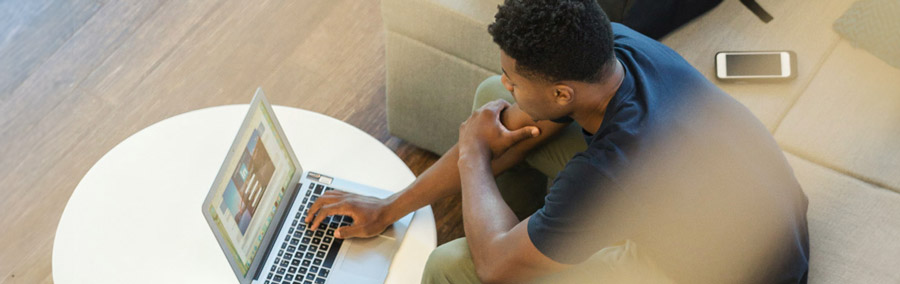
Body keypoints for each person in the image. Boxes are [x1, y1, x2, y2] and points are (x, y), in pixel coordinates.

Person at [305, 0, 809, 283]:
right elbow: (518, 115)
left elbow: (493, 267)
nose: (507, 84)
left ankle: (533, 241)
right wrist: (389, 207)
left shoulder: (611, 170)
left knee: (449, 269)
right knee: (492, 107)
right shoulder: (615, 46)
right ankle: (537, 233)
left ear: (564, 91)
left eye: (514, 78)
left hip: (727, 274)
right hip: (765, 217)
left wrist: (475, 158)